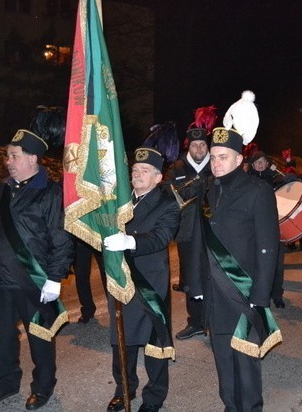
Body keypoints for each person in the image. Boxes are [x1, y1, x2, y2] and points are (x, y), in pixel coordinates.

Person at [0, 109, 74, 410]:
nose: (8, 161)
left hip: (35, 280)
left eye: (14, 156)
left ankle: (43, 387)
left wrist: (55, 278)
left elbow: (61, 239)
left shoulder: (50, 193)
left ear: (33, 158)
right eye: (8, 155)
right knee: (2, 335)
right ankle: (6, 383)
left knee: (40, 336)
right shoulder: (2, 189)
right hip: (2, 278)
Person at [204, 100, 282, 411]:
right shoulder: (211, 190)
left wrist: (260, 295)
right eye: (213, 157)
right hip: (215, 293)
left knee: (246, 363)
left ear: (239, 158)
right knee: (222, 359)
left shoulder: (257, 191)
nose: (216, 163)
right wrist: (198, 288)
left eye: (223, 157)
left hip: (244, 291)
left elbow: (268, 246)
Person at [103, 146, 180, 412]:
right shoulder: (119, 201)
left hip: (150, 283)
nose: (137, 174)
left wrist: (129, 240)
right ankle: (123, 389)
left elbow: (162, 237)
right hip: (121, 279)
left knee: (153, 343)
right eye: (135, 170)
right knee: (121, 340)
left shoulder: (168, 203)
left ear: (158, 177)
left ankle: (154, 397)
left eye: (144, 170)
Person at [166, 106, 215, 340]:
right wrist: (187, 189)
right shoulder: (176, 168)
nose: (198, 149)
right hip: (186, 232)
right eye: (195, 145)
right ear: (189, 145)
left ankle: (214, 320)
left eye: (203, 145)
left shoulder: (216, 166)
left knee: (214, 275)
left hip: (213, 231)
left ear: (208, 147)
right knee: (191, 277)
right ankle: (195, 321)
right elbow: (165, 195)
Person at [246, 149, 288, 308]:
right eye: (257, 162)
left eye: (263, 161)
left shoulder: (276, 179)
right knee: (256, 264)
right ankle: (257, 295)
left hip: (274, 227)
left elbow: (292, 185)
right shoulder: (247, 180)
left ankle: (277, 295)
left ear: (268, 163)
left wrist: (283, 175)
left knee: (276, 264)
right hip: (254, 228)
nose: (260, 164)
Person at [73, 237, 106, 323]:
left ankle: (114, 306)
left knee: (106, 271)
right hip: (79, 235)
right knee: (80, 273)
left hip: (98, 232)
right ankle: (87, 309)